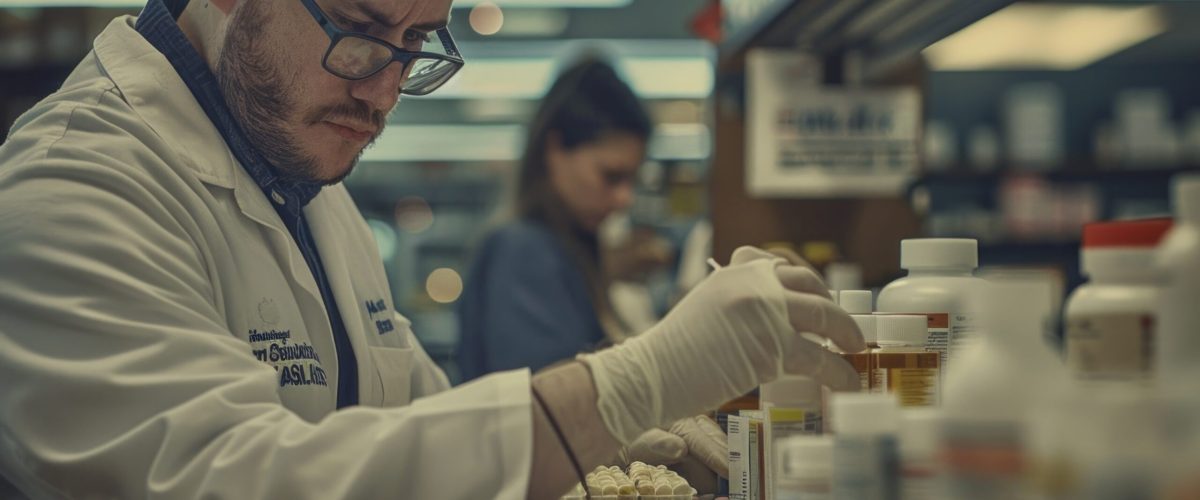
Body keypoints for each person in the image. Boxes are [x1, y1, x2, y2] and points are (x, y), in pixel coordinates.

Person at [0, 0, 865, 498]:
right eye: (361, 27)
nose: (383, 89)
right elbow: (240, 481)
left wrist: (602, 446)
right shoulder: (73, 189)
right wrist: (630, 381)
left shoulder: (306, 177)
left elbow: (411, 422)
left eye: (413, 43)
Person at [456, 56, 669, 382]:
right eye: (611, 176)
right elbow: (552, 404)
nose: (625, 198)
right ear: (555, 149)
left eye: (632, 181)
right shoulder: (524, 251)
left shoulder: (559, 250)